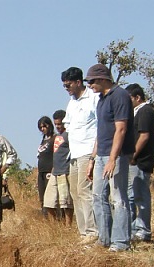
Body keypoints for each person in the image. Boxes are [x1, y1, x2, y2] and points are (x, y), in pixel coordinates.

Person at [85, 63, 134, 252]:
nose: (90, 85)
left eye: (92, 81)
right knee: (98, 196)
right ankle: (104, 239)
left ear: (104, 78)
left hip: (117, 155)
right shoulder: (101, 99)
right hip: (101, 154)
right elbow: (101, 131)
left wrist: (113, 159)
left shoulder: (120, 96)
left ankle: (121, 242)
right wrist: (93, 158)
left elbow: (121, 129)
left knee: (118, 197)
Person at [61, 67, 100, 243]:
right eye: (64, 85)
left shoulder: (93, 98)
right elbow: (67, 126)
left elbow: (101, 127)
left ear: (78, 82)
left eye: (68, 84)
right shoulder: (72, 102)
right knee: (75, 192)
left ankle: (93, 232)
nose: (66, 88)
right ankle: (83, 232)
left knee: (85, 191)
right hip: (74, 154)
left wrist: (93, 155)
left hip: (87, 152)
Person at [125, 83, 154, 242]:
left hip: (141, 161)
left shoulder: (145, 111)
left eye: (129, 99)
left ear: (137, 97)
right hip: (135, 161)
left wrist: (133, 155)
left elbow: (144, 136)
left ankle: (143, 230)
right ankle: (133, 229)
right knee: (131, 196)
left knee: (140, 196)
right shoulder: (136, 112)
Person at [42, 110, 73, 225]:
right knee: (49, 201)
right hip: (55, 171)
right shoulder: (57, 136)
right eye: (56, 124)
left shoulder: (69, 135)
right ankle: (55, 226)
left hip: (65, 171)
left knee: (66, 202)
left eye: (60, 124)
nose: (58, 127)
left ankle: (68, 226)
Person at [37, 116, 55, 209]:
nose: (43, 129)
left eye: (44, 126)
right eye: (40, 127)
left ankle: (56, 219)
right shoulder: (44, 139)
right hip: (41, 172)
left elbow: (56, 154)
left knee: (50, 197)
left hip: (49, 170)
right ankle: (45, 218)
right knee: (42, 196)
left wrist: (53, 169)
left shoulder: (54, 138)